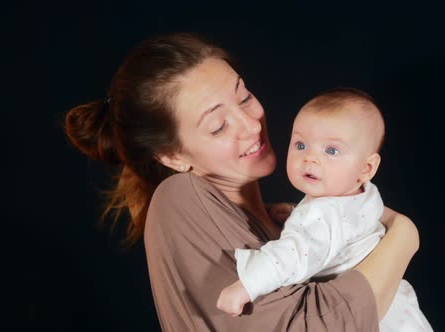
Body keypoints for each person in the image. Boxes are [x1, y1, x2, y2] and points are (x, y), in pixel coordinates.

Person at [64, 32, 421, 331]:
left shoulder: (284, 221)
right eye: (218, 126)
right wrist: (403, 236)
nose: (252, 125)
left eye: (244, 97)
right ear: (173, 157)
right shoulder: (179, 196)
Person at [217, 88, 433, 331]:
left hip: (377, 320)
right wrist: (293, 212)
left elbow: (293, 254)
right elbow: (342, 227)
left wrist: (246, 286)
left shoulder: (320, 215)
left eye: (331, 151)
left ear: (366, 168)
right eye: (300, 145)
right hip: (400, 308)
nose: (310, 158)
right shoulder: (365, 194)